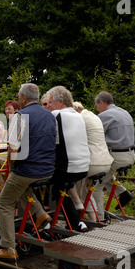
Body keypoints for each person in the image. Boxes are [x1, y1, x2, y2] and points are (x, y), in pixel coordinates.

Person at [0, 83, 56, 259]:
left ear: (23, 97)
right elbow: (55, 142)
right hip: (48, 170)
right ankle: (41, 214)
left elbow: (12, 148)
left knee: (4, 202)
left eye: (18, 95)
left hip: (28, 169)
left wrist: (11, 167)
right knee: (21, 186)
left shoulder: (19, 116)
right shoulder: (50, 116)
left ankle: (8, 248)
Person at [45, 86, 90, 232]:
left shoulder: (57, 114)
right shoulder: (78, 115)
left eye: (50, 102)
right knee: (59, 185)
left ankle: (44, 221)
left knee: (36, 180)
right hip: (84, 166)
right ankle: (77, 217)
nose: (49, 106)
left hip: (69, 168)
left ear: (60, 102)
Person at [72, 102, 114, 221]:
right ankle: (94, 218)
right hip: (105, 161)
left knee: (79, 190)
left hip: (93, 163)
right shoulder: (94, 116)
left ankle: (92, 221)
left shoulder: (79, 118)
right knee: (87, 192)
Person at [95, 91, 135, 208]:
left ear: (102, 102)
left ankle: (100, 217)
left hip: (117, 157)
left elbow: (95, 136)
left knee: (94, 184)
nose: (97, 109)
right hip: (131, 154)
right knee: (105, 175)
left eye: (97, 106)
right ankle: (124, 194)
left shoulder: (104, 116)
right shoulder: (125, 112)